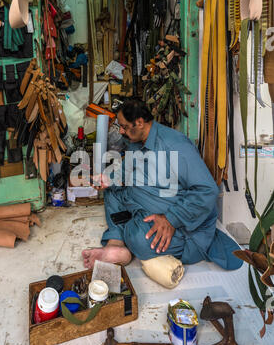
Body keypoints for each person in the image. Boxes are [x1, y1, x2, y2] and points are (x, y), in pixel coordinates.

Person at [82, 99, 242, 272]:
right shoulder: (136, 143)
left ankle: (130, 236)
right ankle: (116, 243)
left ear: (140, 123)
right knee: (112, 190)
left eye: (124, 126)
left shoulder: (175, 145)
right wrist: (108, 178)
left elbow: (207, 190)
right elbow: (128, 169)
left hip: (179, 222)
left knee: (139, 239)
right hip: (144, 202)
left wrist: (171, 219)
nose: (121, 131)